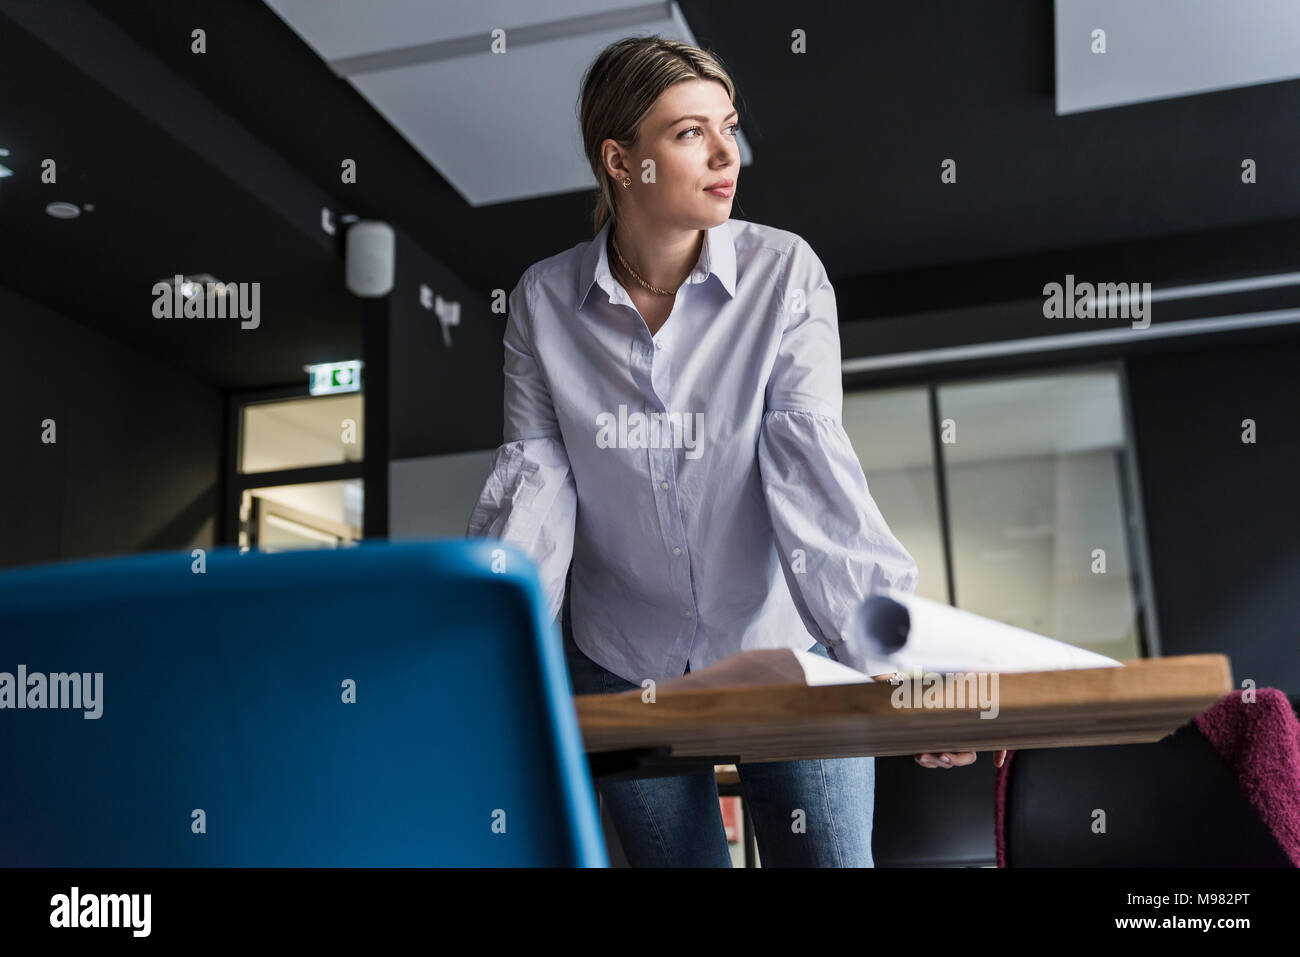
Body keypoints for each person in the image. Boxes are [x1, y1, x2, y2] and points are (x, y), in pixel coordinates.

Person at [468, 35, 1003, 867]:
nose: (728, 153)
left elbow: (812, 476)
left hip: (783, 647)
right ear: (621, 160)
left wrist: (903, 663)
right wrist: (486, 663)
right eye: (690, 133)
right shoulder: (544, 301)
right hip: (622, 659)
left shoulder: (785, 274)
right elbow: (534, 492)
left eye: (729, 126)